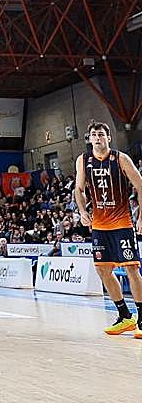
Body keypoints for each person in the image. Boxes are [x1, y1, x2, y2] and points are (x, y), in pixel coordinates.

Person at [73, 120, 142, 337]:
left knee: (131, 268)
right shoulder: (83, 160)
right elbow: (79, 188)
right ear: (89, 138)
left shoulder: (121, 158)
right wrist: (83, 211)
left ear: (108, 137)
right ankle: (124, 315)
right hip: (100, 225)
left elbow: (140, 185)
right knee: (102, 269)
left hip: (122, 222)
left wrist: (141, 216)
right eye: (93, 134)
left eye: (101, 134)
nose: (97, 137)